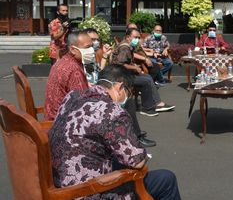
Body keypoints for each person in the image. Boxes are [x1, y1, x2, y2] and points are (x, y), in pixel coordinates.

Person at [49, 64, 181, 200]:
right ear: (119, 87)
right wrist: (143, 155)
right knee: (166, 179)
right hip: (88, 191)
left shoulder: (72, 96)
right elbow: (137, 161)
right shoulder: (111, 111)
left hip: (61, 182)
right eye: (128, 93)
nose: (126, 99)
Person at [82, 28, 156, 147]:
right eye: (92, 40)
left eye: (96, 40)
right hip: (92, 95)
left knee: (127, 97)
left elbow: (98, 72)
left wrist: (105, 56)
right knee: (128, 99)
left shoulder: (89, 56)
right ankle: (133, 136)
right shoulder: (79, 60)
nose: (94, 43)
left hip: (100, 85)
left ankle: (131, 134)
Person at [112, 27, 175, 116]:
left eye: (138, 37)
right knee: (146, 80)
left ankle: (156, 103)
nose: (137, 40)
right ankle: (148, 108)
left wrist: (135, 66)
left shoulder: (129, 46)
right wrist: (135, 68)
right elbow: (120, 64)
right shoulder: (124, 48)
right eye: (135, 37)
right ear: (128, 37)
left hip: (126, 73)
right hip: (121, 76)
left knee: (147, 77)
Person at [44, 31, 91, 120]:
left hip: (52, 116)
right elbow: (83, 104)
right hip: (62, 122)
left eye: (91, 46)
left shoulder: (63, 61)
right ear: (73, 49)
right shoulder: (74, 69)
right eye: (87, 47)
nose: (91, 50)